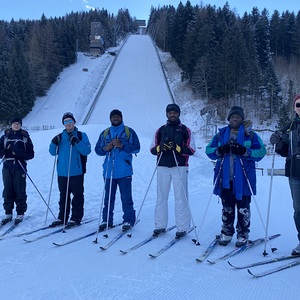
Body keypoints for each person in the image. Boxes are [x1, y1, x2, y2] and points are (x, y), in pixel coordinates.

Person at [206, 106, 266, 247]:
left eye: (238, 117)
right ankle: (227, 232)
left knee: (243, 208)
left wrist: (245, 151)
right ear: (229, 119)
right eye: (233, 117)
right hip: (225, 178)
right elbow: (209, 150)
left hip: (244, 179)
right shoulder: (221, 134)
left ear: (242, 119)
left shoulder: (250, 135)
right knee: (227, 206)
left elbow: (261, 152)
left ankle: (243, 234)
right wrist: (220, 150)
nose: (235, 119)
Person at [150, 103, 196, 238]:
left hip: (179, 166)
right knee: (161, 196)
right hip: (163, 165)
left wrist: (178, 148)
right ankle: (160, 225)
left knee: (180, 197)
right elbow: (152, 149)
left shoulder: (185, 130)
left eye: (175, 113)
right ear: (166, 114)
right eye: (170, 113)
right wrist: (161, 148)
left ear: (179, 114)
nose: (172, 115)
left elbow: (192, 149)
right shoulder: (160, 130)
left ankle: (182, 227)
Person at [95, 109, 140, 232]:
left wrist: (122, 145)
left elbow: (137, 148)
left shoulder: (128, 132)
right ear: (110, 119)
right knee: (108, 198)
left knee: (126, 197)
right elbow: (98, 150)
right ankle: (106, 220)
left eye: (117, 117)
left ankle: (128, 220)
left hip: (124, 171)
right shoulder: (105, 133)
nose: (115, 118)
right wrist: (106, 148)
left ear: (121, 118)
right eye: (113, 117)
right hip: (109, 171)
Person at [270, 94, 300, 255]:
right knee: (298, 209)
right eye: (298, 104)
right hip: (295, 172)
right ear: (295, 107)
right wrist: (277, 141)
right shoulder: (289, 127)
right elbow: (283, 151)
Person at [49, 112, 91, 227]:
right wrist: (53, 143)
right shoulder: (60, 137)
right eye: (66, 121)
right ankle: (62, 217)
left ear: (74, 122)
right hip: (62, 172)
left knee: (77, 195)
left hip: (76, 171)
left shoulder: (82, 135)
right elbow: (53, 152)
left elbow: (86, 150)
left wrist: (76, 141)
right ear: (63, 123)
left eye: (70, 121)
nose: (68, 123)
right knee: (63, 196)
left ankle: (76, 217)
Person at [0, 117, 34, 225]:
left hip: (19, 166)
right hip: (7, 166)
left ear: (20, 125)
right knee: (7, 190)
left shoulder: (25, 137)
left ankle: (20, 212)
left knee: (20, 190)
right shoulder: (5, 136)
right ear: (11, 124)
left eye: (18, 124)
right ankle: (8, 213)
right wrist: (4, 151)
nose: (16, 125)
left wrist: (19, 154)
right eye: (14, 123)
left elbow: (31, 154)